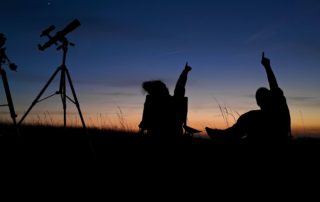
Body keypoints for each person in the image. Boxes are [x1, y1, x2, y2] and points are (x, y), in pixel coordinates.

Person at [206, 53, 291, 143]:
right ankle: (225, 135)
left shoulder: (278, 104)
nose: (260, 103)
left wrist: (267, 66)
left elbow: (273, 85)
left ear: (268, 97)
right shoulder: (268, 111)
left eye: (261, 99)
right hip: (267, 135)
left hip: (278, 137)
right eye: (259, 101)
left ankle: (224, 136)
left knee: (250, 116)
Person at [139, 63, 192, 141]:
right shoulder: (171, 101)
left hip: (156, 134)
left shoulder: (152, 102)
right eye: (164, 87)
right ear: (161, 90)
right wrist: (185, 72)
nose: (167, 88)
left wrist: (184, 72)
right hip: (173, 134)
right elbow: (180, 87)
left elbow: (179, 87)